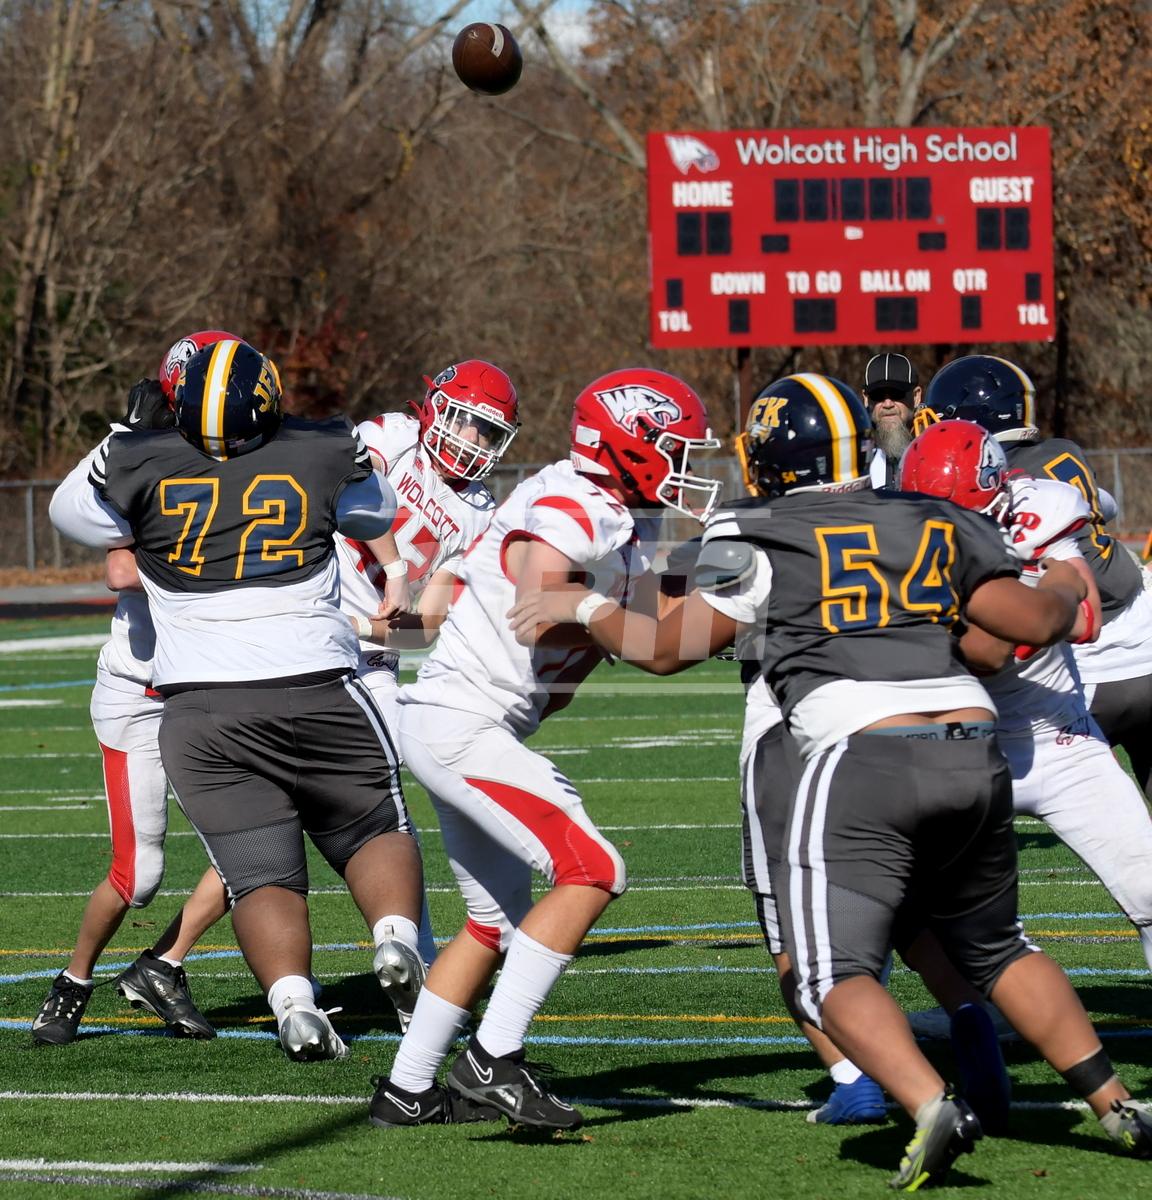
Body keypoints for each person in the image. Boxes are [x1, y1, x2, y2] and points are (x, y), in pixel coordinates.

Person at [510, 373, 1152, 1187]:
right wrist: (1061, 578)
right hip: (972, 745)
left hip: (861, 749)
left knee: (828, 973)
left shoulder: (752, 526)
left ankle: (927, 1103)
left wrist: (584, 608)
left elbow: (667, 649)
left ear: (774, 459)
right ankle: (1116, 1104)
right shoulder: (927, 513)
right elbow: (1029, 624)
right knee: (999, 948)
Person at [48, 338, 424, 1061]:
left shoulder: (141, 458)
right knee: (373, 827)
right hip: (317, 685)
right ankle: (394, 938)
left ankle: (292, 1003)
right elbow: (376, 512)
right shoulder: (320, 447)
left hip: (202, 710)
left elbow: (72, 511)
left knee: (258, 874)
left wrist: (127, 434)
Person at [368, 367, 721, 1131]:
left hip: (456, 722)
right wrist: (582, 600)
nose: (685, 465)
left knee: (493, 923)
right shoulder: (578, 502)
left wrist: (714, 585)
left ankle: (407, 1089)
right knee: (595, 870)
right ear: (628, 446)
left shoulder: (614, 514)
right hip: (465, 724)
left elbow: (658, 643)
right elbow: (539, 582)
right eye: (674, 449)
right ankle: (492, 1060)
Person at [33, 331, 242, 1047]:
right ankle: (73, 981)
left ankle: (162, 966)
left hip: (207, 693)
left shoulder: (245, 462)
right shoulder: (147, 456)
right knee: (139, 874)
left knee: (252, 855)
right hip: (140, 693)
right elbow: (120, 569)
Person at [335, 359, 520, 996]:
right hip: (304, 620)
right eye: (466, 422)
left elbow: (423, 628)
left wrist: (360, 629)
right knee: (288, 810)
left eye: (488, 433)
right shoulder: (391, 436)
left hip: (370, 655)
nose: (472, 441)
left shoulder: (478, 513)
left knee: (384, 802)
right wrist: (348, 607)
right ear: (436, 408)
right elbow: (342, 494)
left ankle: (418, 953)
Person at [915, 354, 1152, 794]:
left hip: (1089, 663)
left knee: (984, 783)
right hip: (1145, 640)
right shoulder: (1064, 452)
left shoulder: (995, 481)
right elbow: (1105, 505)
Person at [862, 352, 921, 489]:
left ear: (916, 396)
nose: (888, 404)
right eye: (877, 395)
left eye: (897, 394)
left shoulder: (936, 454)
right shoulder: (857, 463)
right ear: (865, 398)